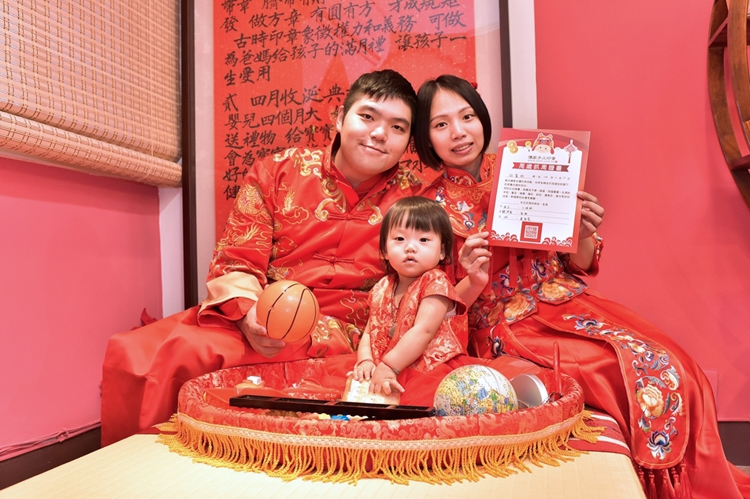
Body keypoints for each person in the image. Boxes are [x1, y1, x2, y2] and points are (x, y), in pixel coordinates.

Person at [414, 74, 750, 499]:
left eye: (467, 117)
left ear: (482, 118)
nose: (459, 132)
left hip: (568, 301)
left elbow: (582, 262)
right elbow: (437, 304)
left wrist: (584, 230)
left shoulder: (529, 165)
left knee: (672, 363)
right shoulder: (428, 210)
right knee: (619, 370)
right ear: (426, 137)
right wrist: (469, 277)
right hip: (505, 324)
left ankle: (691, 487)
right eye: (441, 124)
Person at [101, 69, 443, 446]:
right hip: (272, 319)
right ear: (339, 117)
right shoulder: (277, 172)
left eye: (397, 127)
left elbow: (428, 285)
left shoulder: (418, 201)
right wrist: (250, 316)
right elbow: (237, 258)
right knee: (157, 353)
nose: (379, 134)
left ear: (408, 141)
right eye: (367, 116)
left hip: (361, 336)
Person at [352, 196, 473, 402]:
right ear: (384, 251)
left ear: (442, 251)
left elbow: (423, 330)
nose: (410, 247)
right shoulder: (383, 286)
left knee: (425, 401)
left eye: (423, 240)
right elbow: (370, 330)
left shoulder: (436, 283)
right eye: (400, 239)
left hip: (429, 369)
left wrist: (390, 366)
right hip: (386, 367)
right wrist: (366, 360)